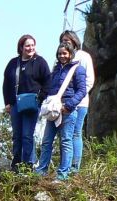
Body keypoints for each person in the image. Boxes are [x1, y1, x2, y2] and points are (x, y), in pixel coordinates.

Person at [35, 42, 87, 181]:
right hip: (53, 110)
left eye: (64, 53)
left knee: (65, 141)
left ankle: (63, 174)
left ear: (70, 53)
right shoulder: (56, 70)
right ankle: (41, 171)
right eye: (59, 53)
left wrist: (69, 105)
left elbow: (82, 90)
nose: (62, 56)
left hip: (67, 110)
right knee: (46, 141)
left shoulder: (78, 69)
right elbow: (49, 89)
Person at [2, 34, 51, 172]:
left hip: (32, 102)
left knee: (27, 134)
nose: (30, 48)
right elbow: (6, 83)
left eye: (32, 45)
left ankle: (28, 163)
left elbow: (48, 81)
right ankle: (16, 163)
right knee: (17, 135)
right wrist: (7, 102)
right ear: (21, 47)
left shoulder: (40, 62)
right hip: (15, 103)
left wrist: (40, 97)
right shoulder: (13, 63)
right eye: (27, 45)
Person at [59, 30, 95, 174]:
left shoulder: (83, 56)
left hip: (79, 104)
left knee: (75, 133)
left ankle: (75, 168)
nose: (66, 42)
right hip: (63, 105)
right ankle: (64, 166)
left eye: (68, 40)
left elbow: (89, 80)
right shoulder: (61, 56)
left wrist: (75, 99)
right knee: (64, 135)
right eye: (63, 40)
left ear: (74, 40)